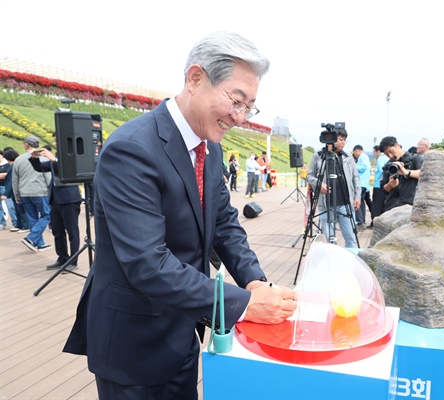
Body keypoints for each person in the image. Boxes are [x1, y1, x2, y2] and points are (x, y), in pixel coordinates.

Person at [63, 31, 297, 400]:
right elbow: (147, 263)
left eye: (249, 106)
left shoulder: (210, 146)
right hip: (134, 343)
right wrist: (244, 305)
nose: (239, 117)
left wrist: (255, 282)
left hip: (184, 329)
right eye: (236, 101)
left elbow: (224, 223)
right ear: (195, 78)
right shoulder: (132, 148)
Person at [29, 144, 81, 272]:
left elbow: (68, 171)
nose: (55, 142)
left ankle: (73, 261)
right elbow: (40, 168)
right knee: (57, 231)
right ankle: (62, 257)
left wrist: (53, 159)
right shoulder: (56, 157)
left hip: (69, 199)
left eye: (57, 139)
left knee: (72, 231)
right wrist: (35, 158)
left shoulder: (71, 156)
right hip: (55, 200)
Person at [307, 129, 361, 248]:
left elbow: (355, 177)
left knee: (351, 238)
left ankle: (350, 264)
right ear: (331, 139)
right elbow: (310, 176)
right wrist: (319, 184)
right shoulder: (318, 155)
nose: (343, 143)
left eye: (345, 141)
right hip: (326, 205)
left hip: (345, 204)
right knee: (330, 242)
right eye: (341, 140)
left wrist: (357, 196)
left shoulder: (347, 157)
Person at [12, 135, 52, 252]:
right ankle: (31, 238)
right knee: (47, 215)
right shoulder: (43, 158)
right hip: (40, 191)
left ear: (26, 145)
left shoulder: (18, 160)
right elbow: (48, 179)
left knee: (32, 218)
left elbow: (15, 180)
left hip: (24, 193)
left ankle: (39, 243)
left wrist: (17, 195)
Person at [379, 136, 423, 213]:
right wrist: (391, 184)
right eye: (387, 154)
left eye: (391, 151)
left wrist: (406, 172)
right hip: (391, 208)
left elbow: (423, 174)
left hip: (410, 207)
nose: (390, 156)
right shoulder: (389, 166)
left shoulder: (415, 159)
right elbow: (383, 189)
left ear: (398, 146)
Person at [0, 149, 30, 232]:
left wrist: (5, 194)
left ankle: (25, 226)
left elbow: (11, 181)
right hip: (14, 191)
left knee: (20, 208)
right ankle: (19, 225)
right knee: (17, 209)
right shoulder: (13, 166)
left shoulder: (13, 166)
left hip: (16, 190)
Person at [352, 144, 372, 229]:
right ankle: (362, 221)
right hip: (364, 184)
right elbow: (369, 170)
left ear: (357, 150)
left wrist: (353, 167)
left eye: (355, 153)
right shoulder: (366, 157)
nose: (355, 155)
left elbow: (364, 167)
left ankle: (360, 222)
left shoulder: (362, 157)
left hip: (361, 183)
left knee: (357, 203)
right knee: (362, 203)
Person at [370, 145, 389, 225]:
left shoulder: (380, 159)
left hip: (378, 184)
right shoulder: (387, 158)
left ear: (378, 151)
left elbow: (382, 171)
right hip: (385, 185)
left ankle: (375, 222)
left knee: (376, 204)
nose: (374, 154)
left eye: (374, 152)